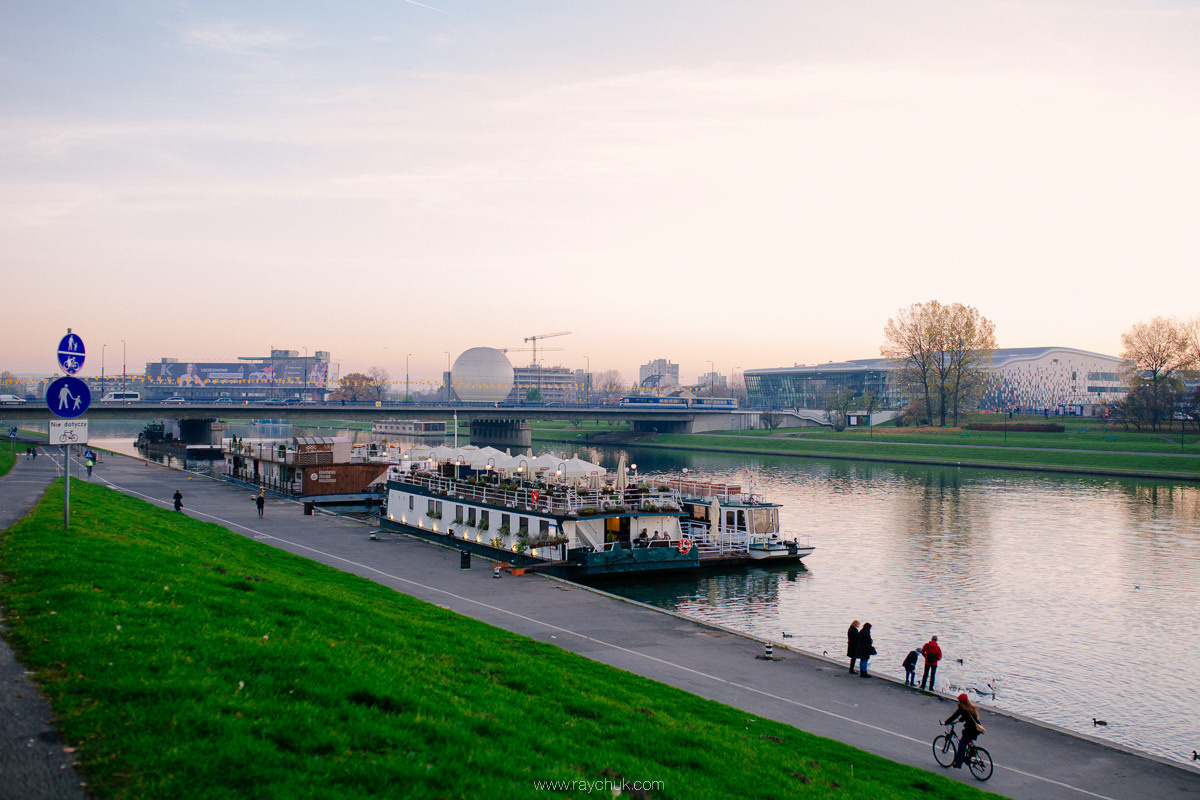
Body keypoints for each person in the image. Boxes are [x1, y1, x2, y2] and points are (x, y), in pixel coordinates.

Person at [943, 693, 984, 768]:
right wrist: (959, 720)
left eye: (959, 701)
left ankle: (958, 763)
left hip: (970, 730)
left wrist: (946, 722)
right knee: (965, 736)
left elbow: (954, 716)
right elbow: (966, 717)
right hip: (976, 729)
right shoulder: (970, 708)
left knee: (962, 745)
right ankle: (972, 750)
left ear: (961, 702)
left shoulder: (962, 709)